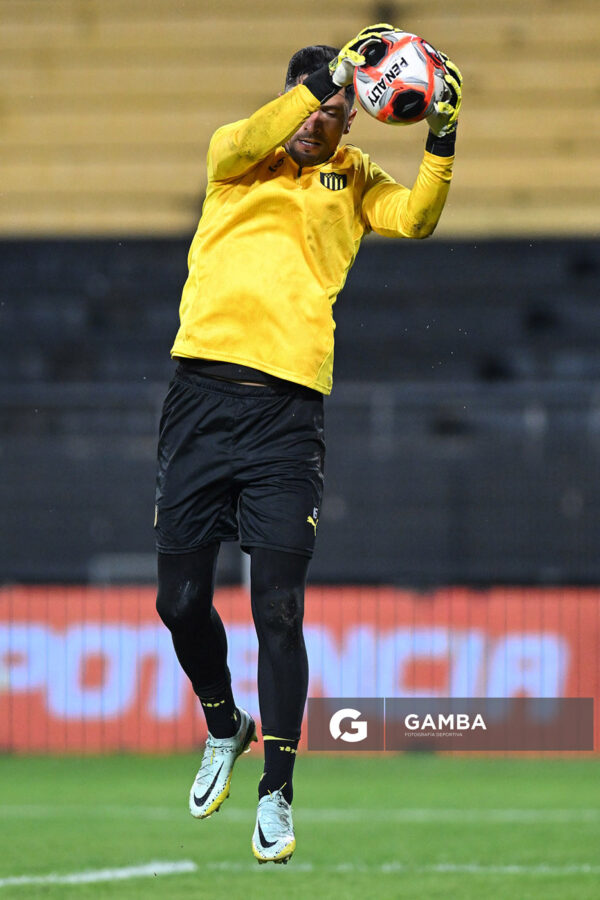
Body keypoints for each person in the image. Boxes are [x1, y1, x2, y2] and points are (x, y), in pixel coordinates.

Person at [154, 24, 462, 865]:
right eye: (304, 107)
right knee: (178, 602)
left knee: (278, 611)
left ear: (352, 121)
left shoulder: (353, 177)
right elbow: (258, 128)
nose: (311, 123)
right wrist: (330, 77)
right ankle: (225, 723)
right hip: (199, 401)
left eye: (330, 113)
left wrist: (441, 136)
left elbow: (417, 219)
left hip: (288, 418)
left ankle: (278, 791)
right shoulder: (235, 157)